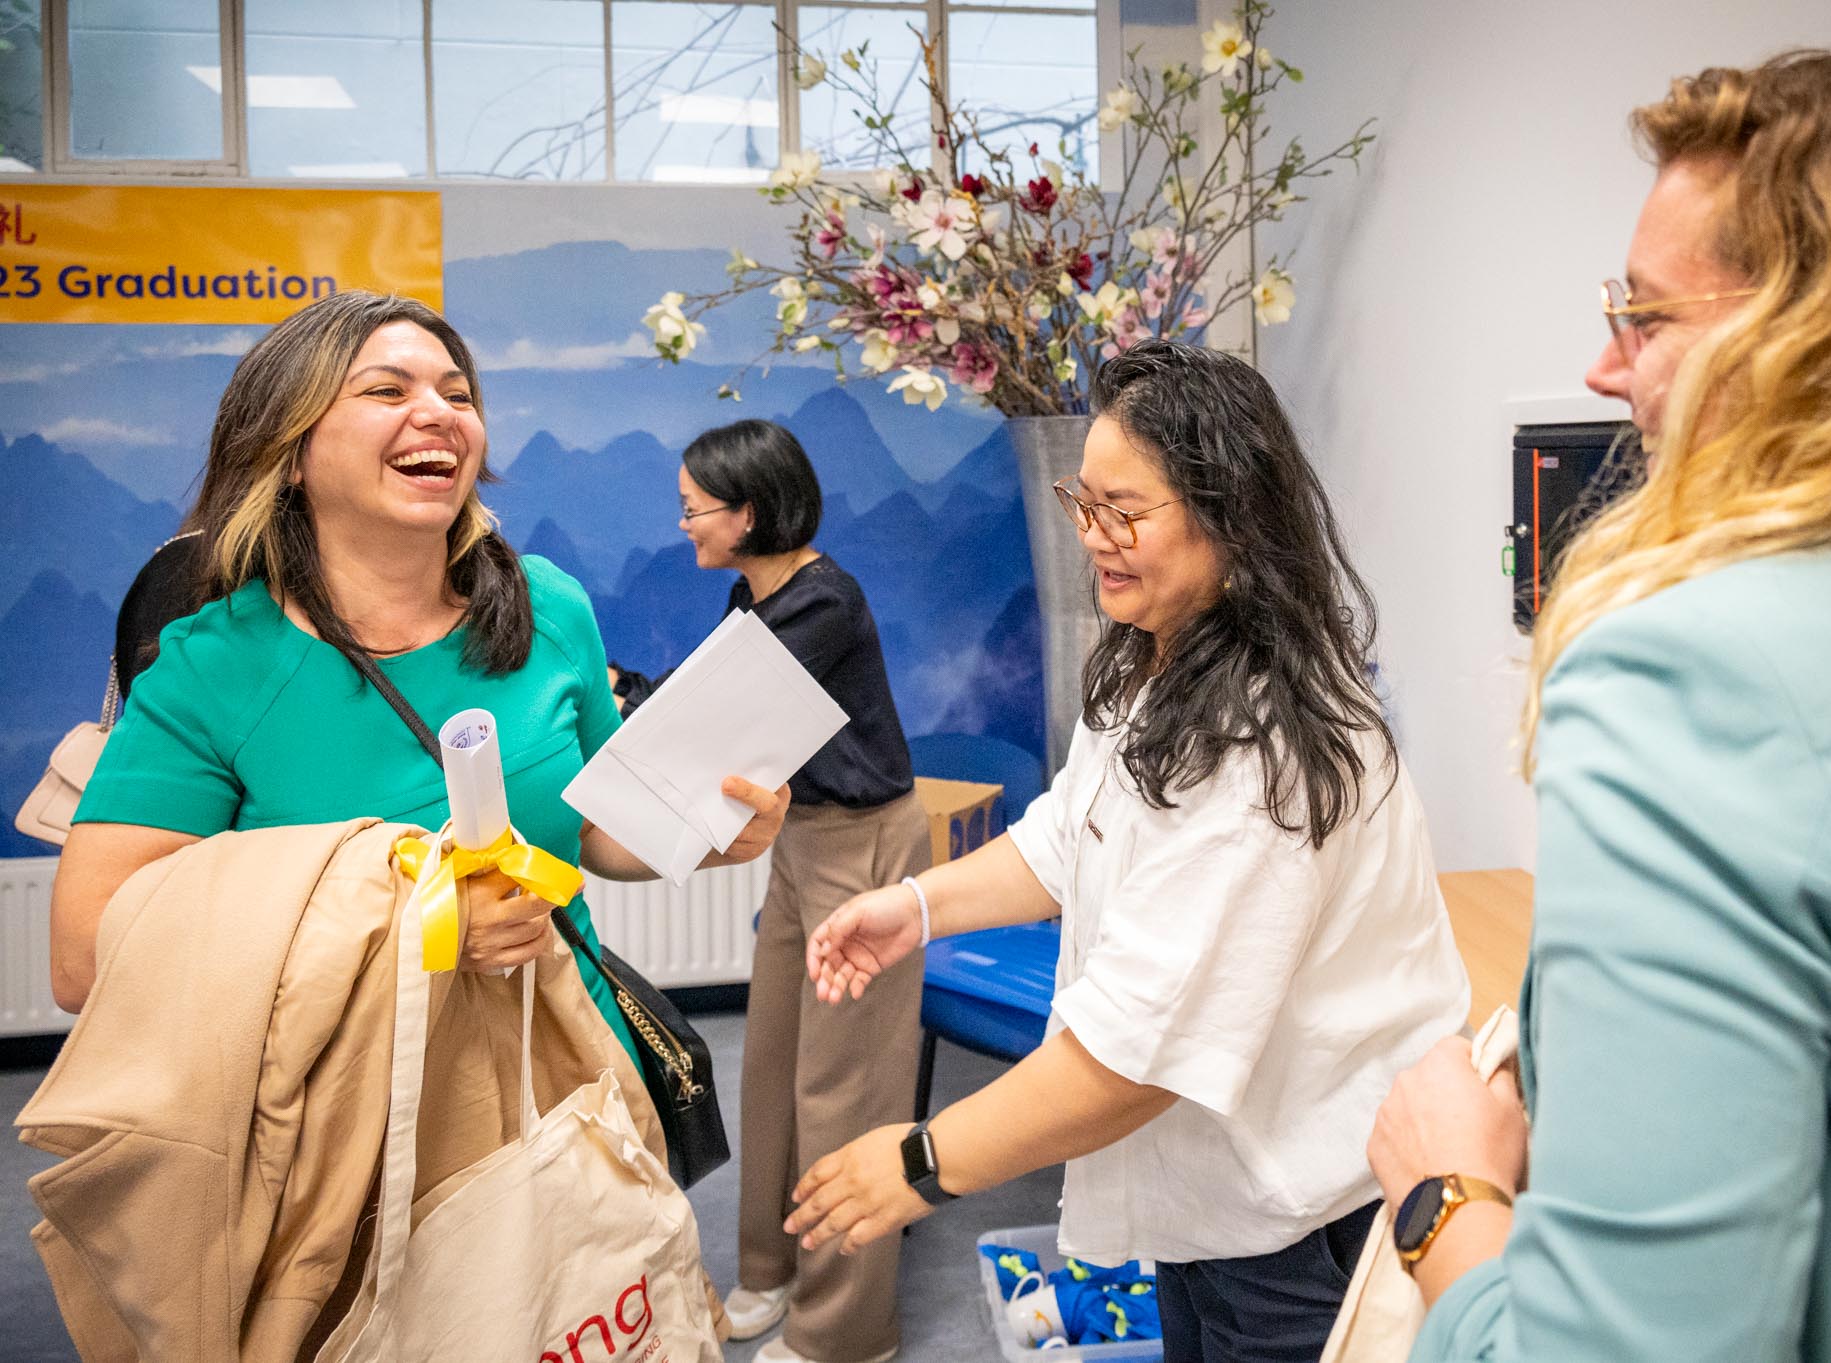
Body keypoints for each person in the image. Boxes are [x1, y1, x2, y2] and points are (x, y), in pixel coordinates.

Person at [1367, 47, 1831, 1361]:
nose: (1608, 369)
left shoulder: (1695, 674)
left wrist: (1444, 1194)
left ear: (1823, 339)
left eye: (1646, 314)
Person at [787, 339, 1472, 1363]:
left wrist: (925, 1161)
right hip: (1217, 1203)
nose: (1091, 536)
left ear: (1229, 516)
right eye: (1083, 500)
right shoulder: (1161, 656)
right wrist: (918, 906)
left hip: (1306, 1227)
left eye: (1125, 511)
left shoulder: (1259, 748)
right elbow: (1071, 833)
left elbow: (1133, 1058)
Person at [49, 291, 791, 1073]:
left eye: (458, 393)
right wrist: (413, 929)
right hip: (348, 1126)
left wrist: (707, 829)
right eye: (386, 390)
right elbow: (84, 956)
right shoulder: (213, 666)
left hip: (573, 1079)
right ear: (290, 451)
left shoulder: (548, 607)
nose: (439, 412)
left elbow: (596, 827)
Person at [618, 419, 931, 1363]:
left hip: (863, 847)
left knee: (845, 1088)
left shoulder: (821, 603)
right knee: (775, 1063)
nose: (683, 526)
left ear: (747, 513)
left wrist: (624, 699)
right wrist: (628, 691)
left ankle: (846, 1332)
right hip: (801, 841)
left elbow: (698, 712)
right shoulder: (756, 597)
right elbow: (699, 698)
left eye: (693, 510)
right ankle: (771, 1270)